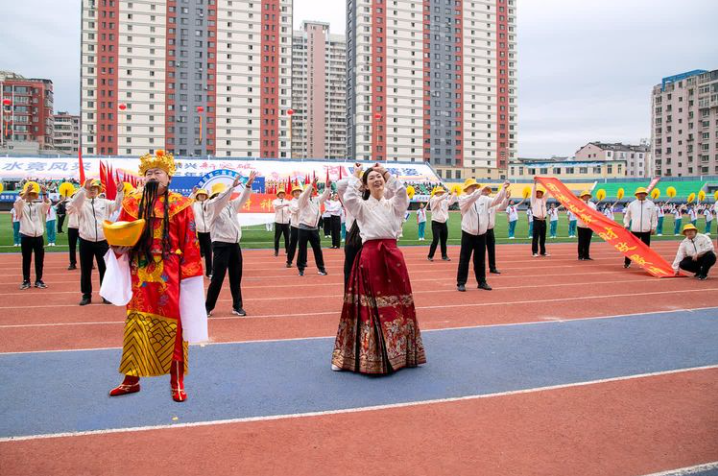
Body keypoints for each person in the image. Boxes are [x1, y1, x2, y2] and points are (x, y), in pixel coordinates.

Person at [109, 150, 206, 402]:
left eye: (158, 172)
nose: (153, 176)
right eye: (149, 172)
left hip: (170, 275)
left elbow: (190, 241)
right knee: (136, 324)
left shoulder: (181, 205)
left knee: (174, 327)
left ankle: (177, 382)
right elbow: (121, 234)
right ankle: (131, 380)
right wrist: (117, 246)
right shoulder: (132, 203)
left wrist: (189, 276)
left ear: (169, 177)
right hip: (139, 273)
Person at [331, 164, 426, 375]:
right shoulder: (360, 207)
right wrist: (357, 177)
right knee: (367, 307)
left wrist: (386, 173)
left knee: (397, 305)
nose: (377, 180)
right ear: (365, 185)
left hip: (393, 257)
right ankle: (361, 356)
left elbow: (401, 192)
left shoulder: (395, 205)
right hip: (370, 257)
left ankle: (401, 354)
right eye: (372, 178)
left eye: (379, 177)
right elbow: (349, 196)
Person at [205, 173, 256, 317]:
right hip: (221, 246)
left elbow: (243, 198)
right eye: (218, 194)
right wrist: (231, 187)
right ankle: (207, 307)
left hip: (234, 245)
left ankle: (237, 306)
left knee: (236, 277)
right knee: (217, 278)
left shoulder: (231, 206)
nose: (222, 196)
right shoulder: (211, 206)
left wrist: (248, 185)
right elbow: (219, 200)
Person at [67, 179, 123, 306]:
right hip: (85, 240)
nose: (92, 190)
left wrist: (120, 192)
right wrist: (83, 189)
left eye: (95, 188)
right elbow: (72, 205)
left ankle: (106, 295)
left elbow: (117, 205)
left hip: (102, 241)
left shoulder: (104, 203)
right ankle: (86, 295)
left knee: (105, 269)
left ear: (98, 190)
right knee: (86, 269)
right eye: (90, 188)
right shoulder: (81, 203)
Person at [456, 179, 509, 292]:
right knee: (464, 259)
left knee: (480, 260)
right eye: (472, 186)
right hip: (468, 234)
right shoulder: (463, 198)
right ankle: (461, 282)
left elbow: (496, 201)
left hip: (481, 234)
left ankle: (481, 282)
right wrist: (479, 190)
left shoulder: (484, 199)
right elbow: (471, 198)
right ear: (466, 189)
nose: (474, 188)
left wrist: (503, 189)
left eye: (475, 186)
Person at [15, 182, 50, 290]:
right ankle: (26, 280)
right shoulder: (21, 206)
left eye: (32, 194)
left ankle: (39, 280)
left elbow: (47, 204)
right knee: (26, 259)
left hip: (38, 236)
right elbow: (18, 203)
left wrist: (44, 193)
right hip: (26, 236)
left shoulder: (38, 206)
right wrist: (26, 191)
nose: (30, 196)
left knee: (39, 260)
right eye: (29, 194)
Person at [297, 177, 330, 276]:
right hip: (303, 228)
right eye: (310, 190)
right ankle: (301, 268)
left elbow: (324, 196)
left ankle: (321, 269)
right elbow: (305, 194)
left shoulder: (316, 200)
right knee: (302, 249)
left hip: (314, 229)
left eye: (312, 190)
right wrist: (311, 184)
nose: (311, 192)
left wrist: (328, 187)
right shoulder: (302, 199)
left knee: (317, 249)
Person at [623, 187, 658, 269]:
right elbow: (627, 216)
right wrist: (626, 224)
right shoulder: (632, 204)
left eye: (642, 193)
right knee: (630, 248)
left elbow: (654, 217)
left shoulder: (651, 204)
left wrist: (653, 227)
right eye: (639, 193)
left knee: (645, 249)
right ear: (636, 195)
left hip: (646, 230)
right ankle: (627, 263)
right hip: (635, 230)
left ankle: (644, 263)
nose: (641, 195)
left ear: (645, 194)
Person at [427, 187, 457, 261]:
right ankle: (430, 256)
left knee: (444, 240)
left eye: (442, 192)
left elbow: (451, 202)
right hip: (435, 223)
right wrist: (447, 194)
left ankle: (444, 256)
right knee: (436, 240)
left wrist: (454, 194)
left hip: (443, 223)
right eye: (440, 192)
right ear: (436, 193)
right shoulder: (433, 199)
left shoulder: (444, 201)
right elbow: (438, 199)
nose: (441, 193)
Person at [485, 185, 509, 275]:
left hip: (490, 230)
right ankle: (478, 268)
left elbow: (501, 206)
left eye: (488, 191)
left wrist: (506, 199)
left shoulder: (492, 203)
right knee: (479, 251)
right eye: (485, 191)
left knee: (491, 250)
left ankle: (492, 267)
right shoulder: (480, 203)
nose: (487, 192)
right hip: (481, 231)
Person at [191, 187, 213, 278]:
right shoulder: (194, 205)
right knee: (196, 254)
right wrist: (193, 194)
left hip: (208, 232)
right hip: (198, 233)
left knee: (209, 254)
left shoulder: (209, 204)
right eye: (200, 195)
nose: (202, 196)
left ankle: (209, 272)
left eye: (204, 195)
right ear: (197, 196)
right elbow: (188, 203)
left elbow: (215, 201)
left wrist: (210, 195)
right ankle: (195, 272)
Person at [530, 181, 551, 257]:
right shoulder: (534, 200)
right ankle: (534, 252)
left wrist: (549, 187)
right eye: (537, 192)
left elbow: (547, 193)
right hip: (536, 220)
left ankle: (543, 251)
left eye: (540, 192)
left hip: (543, 220)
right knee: (535, 237)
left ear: (542, 194)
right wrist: (535, 184)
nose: (538, 193)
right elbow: (532, 193)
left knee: (543, 237)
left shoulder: (543, 200)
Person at [576, 191, 598, 261]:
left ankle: (586, 255)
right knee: (581, 241)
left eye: (588, 196)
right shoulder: (579, 203)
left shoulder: (592, 204)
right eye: (585, 196)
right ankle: (580, 256)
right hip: (581, 225)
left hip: (589, 226)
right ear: (582, 197)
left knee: (587, 241)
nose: (587, 197)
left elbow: (595, 213)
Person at [285, 185, 302, 268]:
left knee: (303, 244)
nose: (297, 193)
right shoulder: (291, 202)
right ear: (293, 193)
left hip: (303, 225)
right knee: (293, 244)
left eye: (298, 191)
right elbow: (294, 210)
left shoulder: (304, 200)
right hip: (295, 225)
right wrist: (302, 206)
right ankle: (289, 261)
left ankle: (303, 261)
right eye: (295, 192)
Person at [272, 189, 291, 256]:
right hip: (278, 222)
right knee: (277, 238)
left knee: (287, 237)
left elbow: (290, 209)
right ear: (278, 194)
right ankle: (276, 251)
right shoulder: (275, 201)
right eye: (280, 193)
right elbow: (276, 207)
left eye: (283, 193)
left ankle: (287, 250)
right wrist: (284, 205)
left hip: (286, 222)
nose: (282, 194)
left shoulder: (288, 201)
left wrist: (289, 209)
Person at [66, 191, 80, 270]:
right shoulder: (69, 204)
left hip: (82, 228)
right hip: (72, 227)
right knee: (72, 247)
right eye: (74, 196)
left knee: (86, 247)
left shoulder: (83, 205)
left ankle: (89, 262)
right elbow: (71, 206)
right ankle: (72, 263)